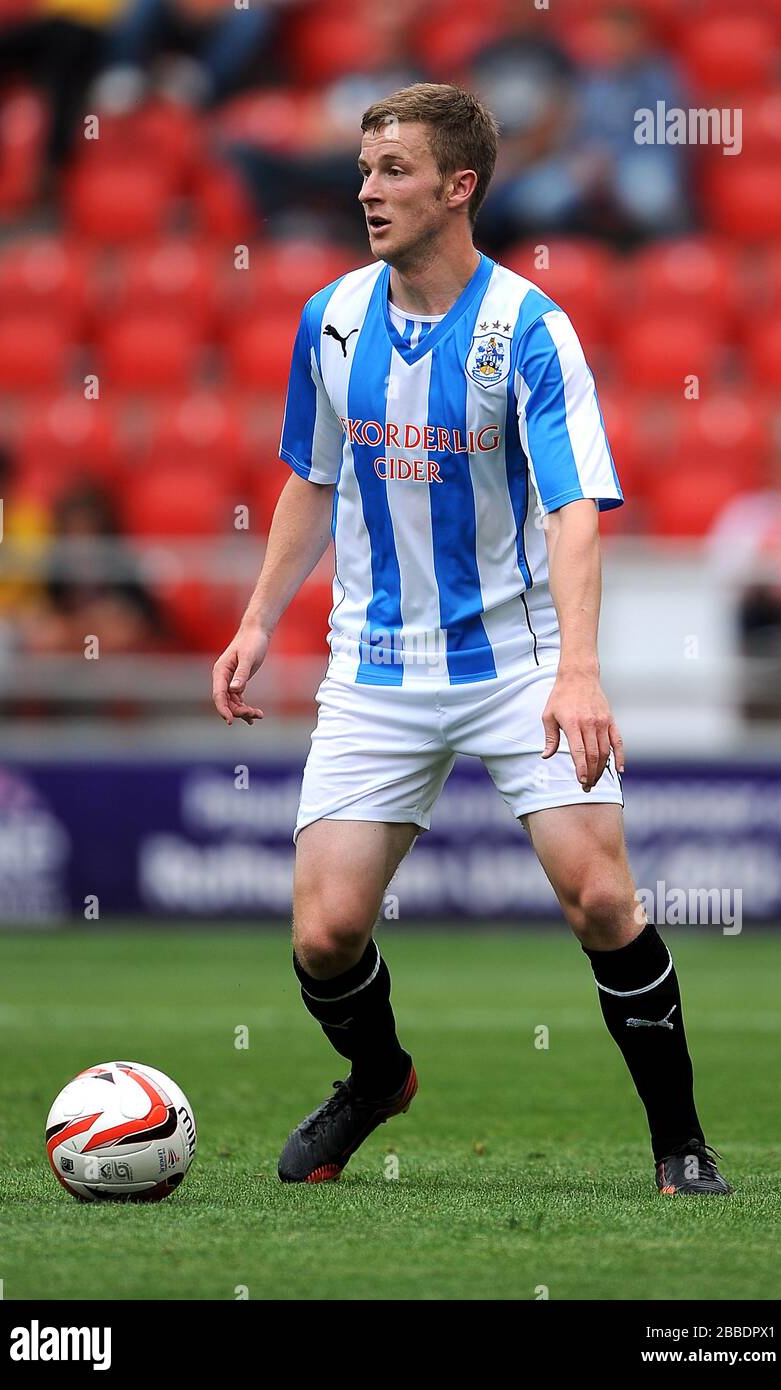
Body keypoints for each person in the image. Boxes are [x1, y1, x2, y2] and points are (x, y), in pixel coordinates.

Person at [212, 83, 732, 1197]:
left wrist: (580, 671)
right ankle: (377, 1077)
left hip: (520, 661)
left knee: (598, 898)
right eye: (361, 169)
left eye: (392, 171)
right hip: (376, 664)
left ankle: (679, 1145)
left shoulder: (529, 329)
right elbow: (311, 473)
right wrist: (258, 617)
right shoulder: (331, 318)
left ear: (458, 188)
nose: (366, 189)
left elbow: (573, 507)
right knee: (324, 936)